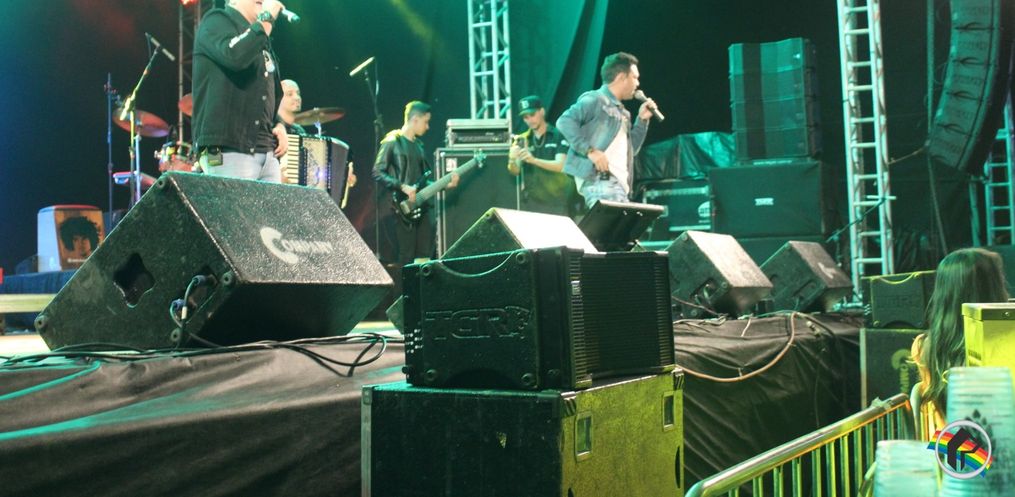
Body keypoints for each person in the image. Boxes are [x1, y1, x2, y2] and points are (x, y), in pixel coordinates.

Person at [911, 247, 1009, 431]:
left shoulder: (923, 346)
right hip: (996, 446)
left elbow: (940, 416)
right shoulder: (1005, 344)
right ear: (992, 288)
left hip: (953, 445)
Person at [192, 0, 288, 182]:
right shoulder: (216, 20)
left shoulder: (259, 38)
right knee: (234, 202)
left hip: (267, 151)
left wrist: (280, 124)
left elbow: (270, 92)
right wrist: (266, 19)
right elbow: (235, 56)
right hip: (226, 148)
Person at [556, 52, 658, 208]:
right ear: (621, 77)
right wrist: (590, 151)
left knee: (619, 223)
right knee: (612, 222)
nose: (637, 83)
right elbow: (564, 121)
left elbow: (631, 150)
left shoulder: (623, 113)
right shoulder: (595, 99)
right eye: (634, 77)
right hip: (600, 178)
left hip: (619, 185)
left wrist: (642, 120)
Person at [373, 101, 458, 265]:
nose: (428, 127)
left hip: (422, 208)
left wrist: (445, 185)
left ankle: (421, 282)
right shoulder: (392, 142)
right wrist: (402, 187)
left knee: (424, 256)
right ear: (415, 119)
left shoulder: (419, 146)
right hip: (401, 208)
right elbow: (377, 172)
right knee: (406, 256)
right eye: (426, 122)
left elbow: (423, 181)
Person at [508, 96, 581, 217]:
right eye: (525, 117)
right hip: (531, 203)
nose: (530, 120)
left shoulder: (558, 135)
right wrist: (512, 159)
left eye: (532, 114)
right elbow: (515, 171)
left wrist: (533, 160)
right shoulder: (523, 138)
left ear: (542, 111)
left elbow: (561, 165)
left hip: (558, 201)